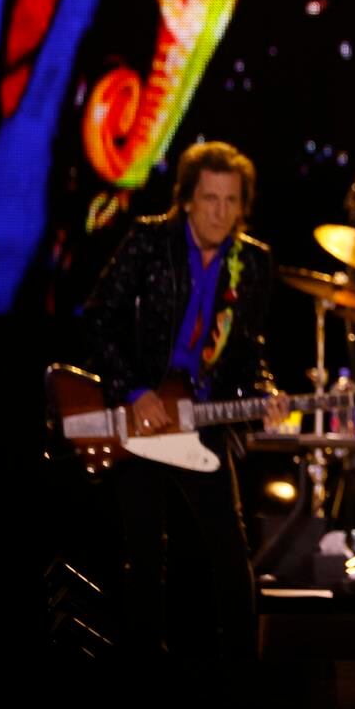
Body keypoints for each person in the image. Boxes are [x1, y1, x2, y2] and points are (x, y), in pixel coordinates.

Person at [80, 140, 280, 660]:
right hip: (140, 415)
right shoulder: (150, 241)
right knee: (145, 552)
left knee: (230, 549)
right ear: (187, 199)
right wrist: (135, 390)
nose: (220, 212)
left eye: (230, 200)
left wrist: (265, 394)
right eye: (210, 198)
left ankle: (242, 671)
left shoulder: (252, 262)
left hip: (202, 416)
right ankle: (145, 671)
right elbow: (98, 318)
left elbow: (248, 349)